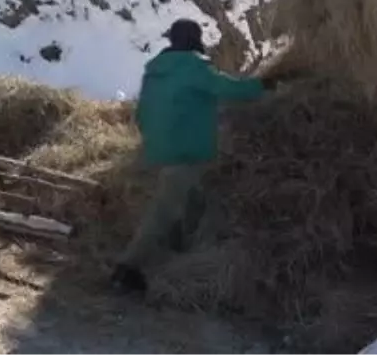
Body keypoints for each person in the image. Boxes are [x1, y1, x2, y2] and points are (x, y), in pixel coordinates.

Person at [110, 18, 277, 294]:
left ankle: (179, 251)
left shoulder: (154, 72)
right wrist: (265, 85)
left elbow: (141, 114)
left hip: (156, 150)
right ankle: (127, 268)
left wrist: (157, 137)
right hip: (185, 152)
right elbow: (230, 88)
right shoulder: (194, 68)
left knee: (192, 199)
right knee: (164, 210)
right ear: (193, 41)